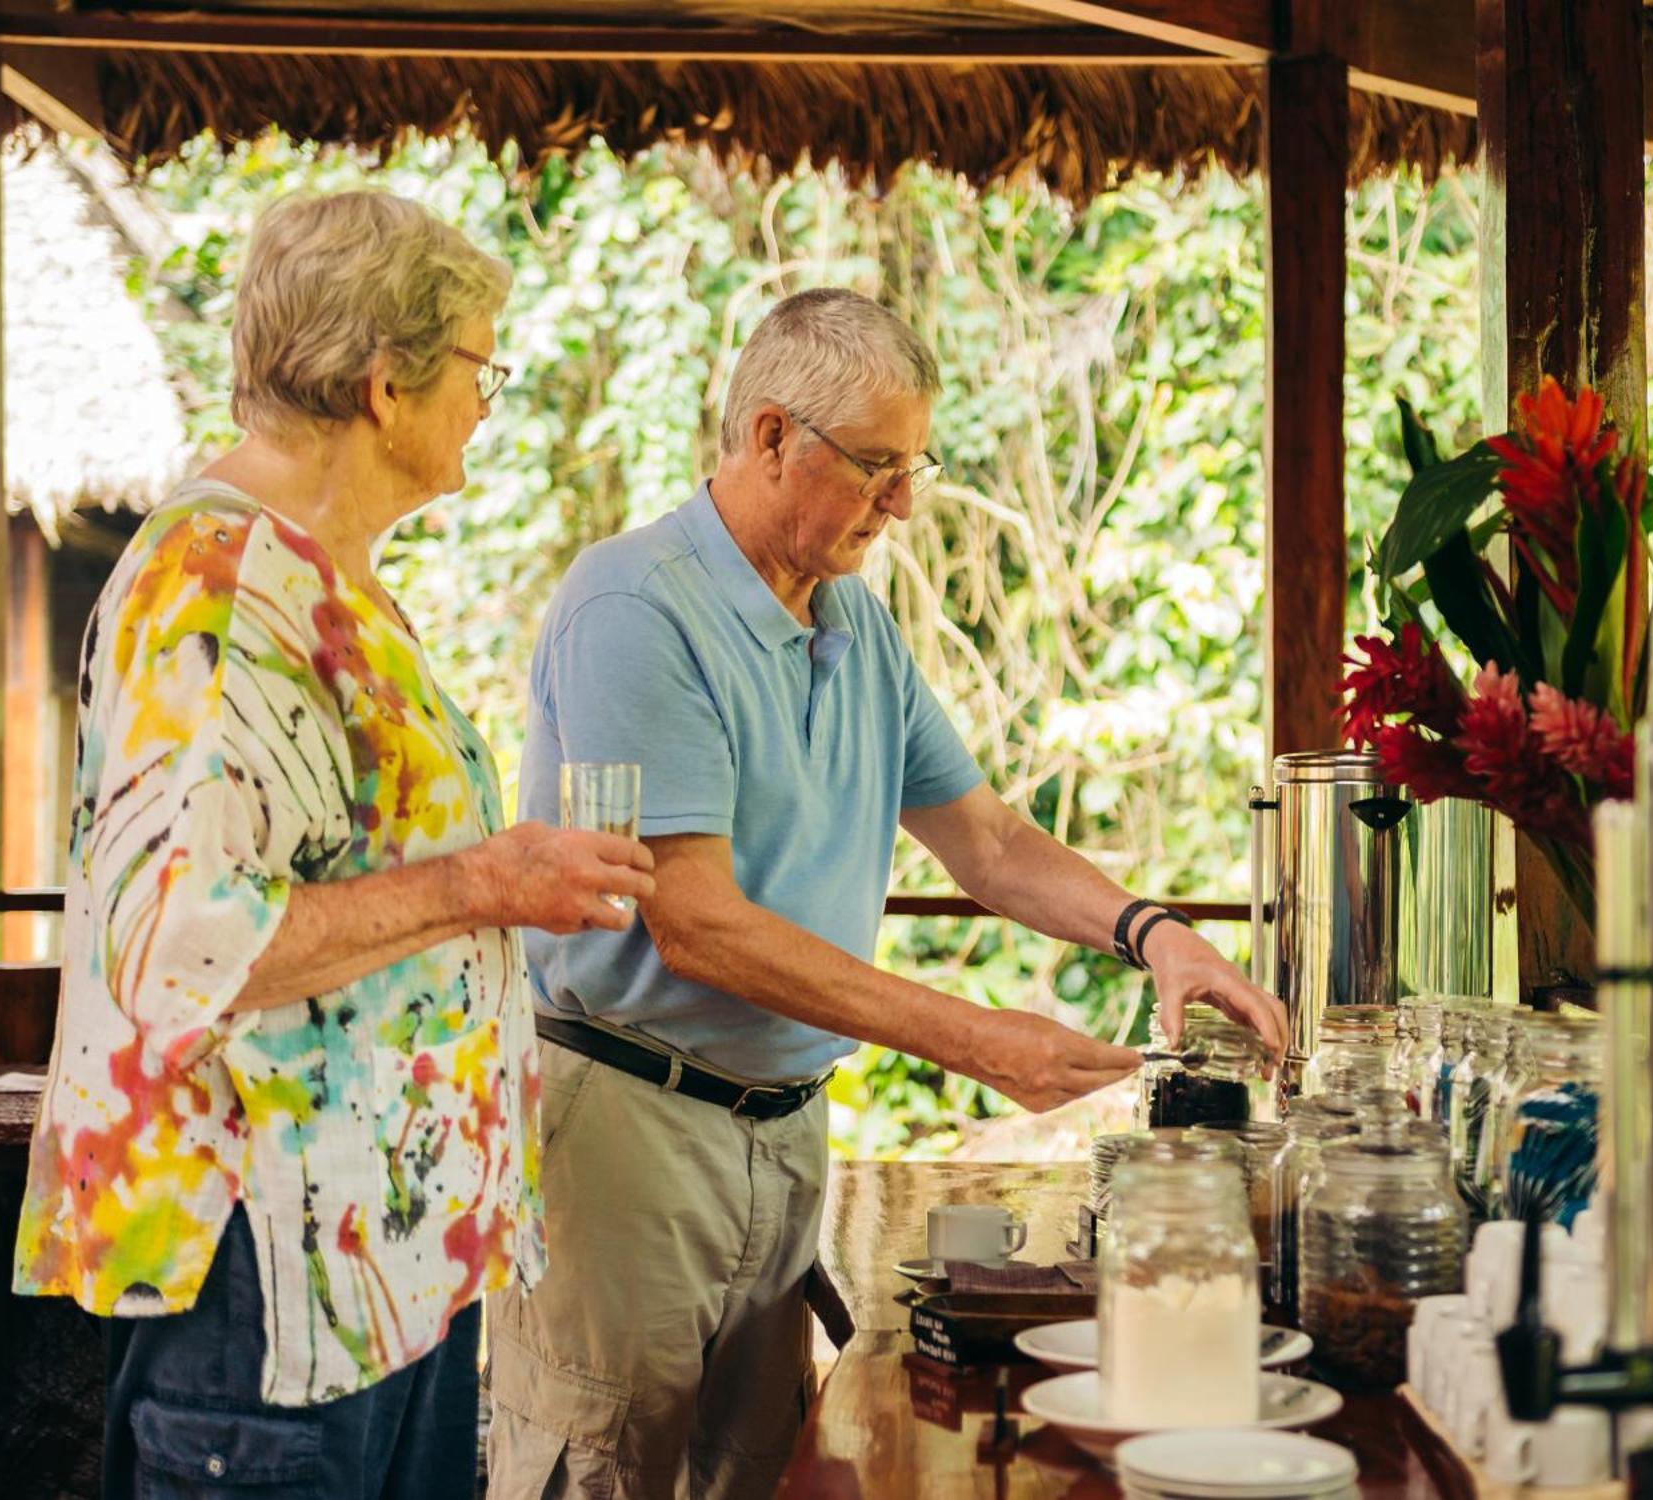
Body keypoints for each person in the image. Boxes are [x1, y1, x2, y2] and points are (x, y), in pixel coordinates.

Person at [486, 288, 1286, 1499]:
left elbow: (988, 845)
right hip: (629, 1131)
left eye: (914, 466)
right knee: (606, 1474)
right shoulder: (635, 607)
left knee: (755, 1475)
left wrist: (1153, 932)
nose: (904, 503)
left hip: (781, 1129)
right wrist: (971, 1038)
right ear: (768, 438)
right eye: (874, 467)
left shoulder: (853, 618)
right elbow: (693, 919)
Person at [13, 190, 656, 1500]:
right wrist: (485, 880)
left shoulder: (321, 574)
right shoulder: (213, 590)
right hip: (268, 1279)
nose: (490, 397)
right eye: (481, 363)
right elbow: (175, 940)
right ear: (384, 384)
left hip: (377, 1264)